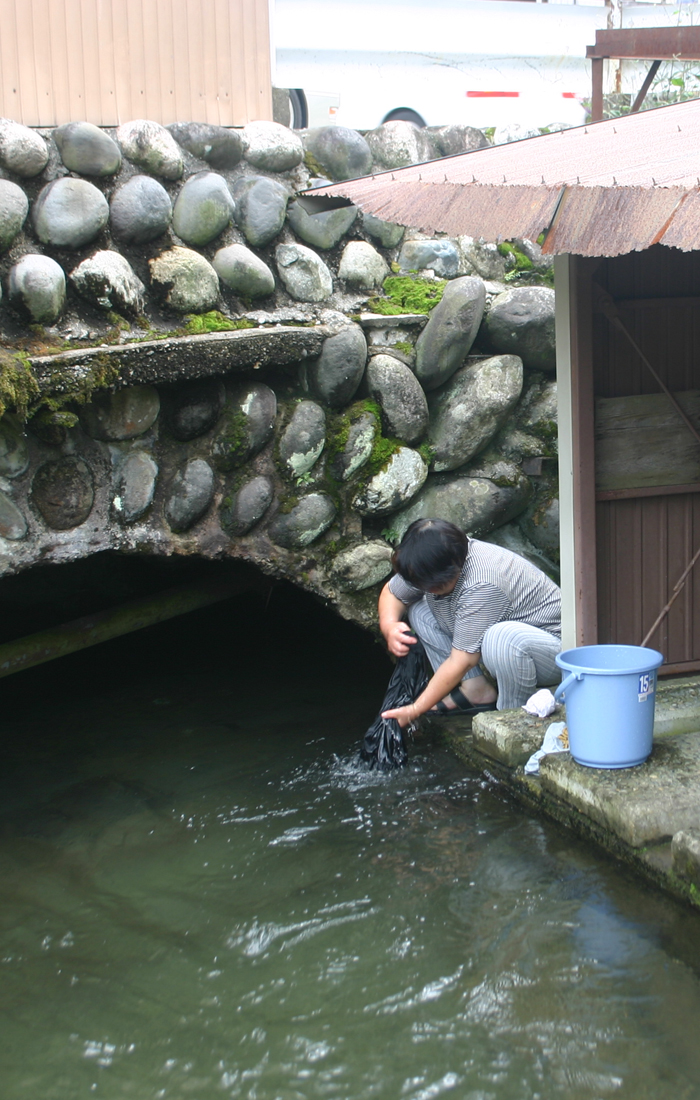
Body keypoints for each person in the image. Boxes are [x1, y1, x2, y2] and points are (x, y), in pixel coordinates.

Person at [378, 518, 561, 727]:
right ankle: (475, 690)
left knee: (501, 638)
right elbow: (392, 593)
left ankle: (510, 716)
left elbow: (461, 661)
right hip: (502, 644)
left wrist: (415, 709)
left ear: (455, 564)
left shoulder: (482, 584)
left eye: (435, 584)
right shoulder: (433, 558)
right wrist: (389, 626)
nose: (428, 588)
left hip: (552, 651)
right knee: (420, 610)